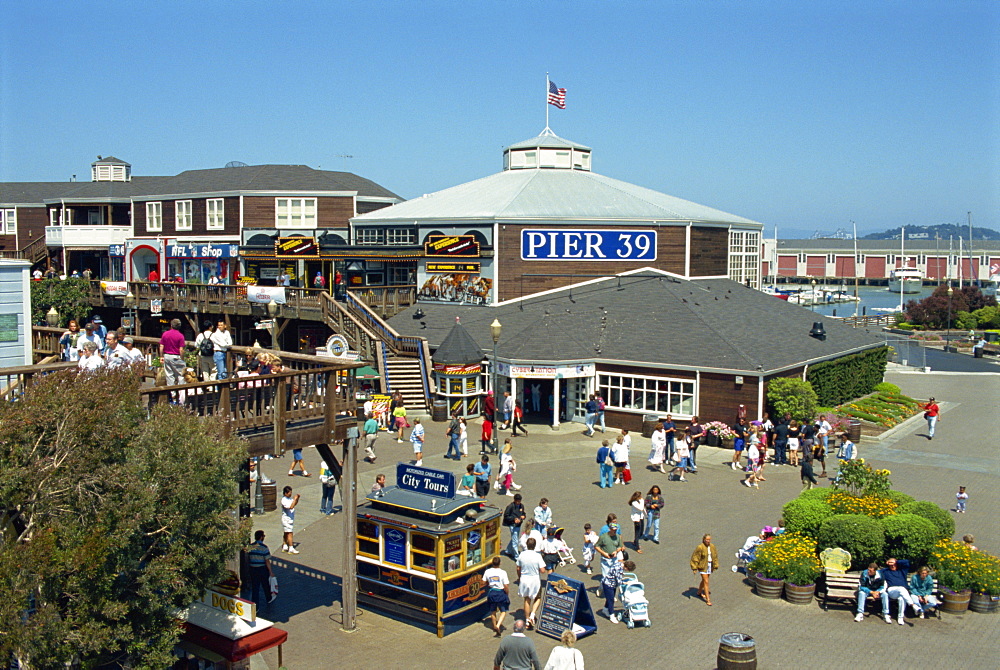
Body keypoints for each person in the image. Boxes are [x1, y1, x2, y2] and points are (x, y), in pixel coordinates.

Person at [515, 538, 547, 630]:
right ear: (535, 545)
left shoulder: (522, 555)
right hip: (534, 579)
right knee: (538, 597)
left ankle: (527, 618)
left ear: (527, 545)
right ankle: (532, 615)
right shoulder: (537, 556)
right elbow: (543, 570)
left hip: (524, 579)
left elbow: (518, 568)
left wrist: (519, 577)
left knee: (527, 599)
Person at [883, 557, 919, 624]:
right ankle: (913, 605)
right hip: (892, 591)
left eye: (894, 564)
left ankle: (900, 617)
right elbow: (874, 571)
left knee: (902, 598)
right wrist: (888, 563)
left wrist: (896, 561)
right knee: (902, 589)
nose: (892, 566)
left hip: (902, 592)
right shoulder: (886, 571)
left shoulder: (902, 571)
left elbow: (907, 561)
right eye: (890, 564)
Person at [600, 557, 636, 624]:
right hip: (608, 584)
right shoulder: (618, 569)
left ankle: (605, 609)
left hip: (612, 584)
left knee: (609, 598)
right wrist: (626, 583)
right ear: (626, 568)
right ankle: (612, 616)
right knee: (611, 600)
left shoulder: (619, 564)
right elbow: (619, 581)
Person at [483, 556, 511, 637]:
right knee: (503, 610)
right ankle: (498, 625)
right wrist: (507, 593)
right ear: (500, 563)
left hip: (492, 592)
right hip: (500, 592)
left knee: (493, 611)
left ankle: (494, 625)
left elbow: (484, 582)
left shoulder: (487, 571)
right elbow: (506, 585)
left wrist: (489, 584)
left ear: (492, 563)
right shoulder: (503, 572)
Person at [247, 530, 276, 607]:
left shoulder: (250, 547)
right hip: (262, 569)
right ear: (261, 537)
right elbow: (267, 561)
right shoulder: (264, 548)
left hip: (253, 569)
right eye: (263, 536)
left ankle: (255, 605)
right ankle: (269, 598)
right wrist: (270, 572)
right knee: (265, 585)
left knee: (255, 587)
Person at [690, 533, 718, 606]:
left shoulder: (712, 547)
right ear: (704, 540)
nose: (708, 541)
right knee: (706, 581)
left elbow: (715, 556)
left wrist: (715, 565)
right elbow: (695, 557)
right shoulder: (700, 547)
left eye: (709, 540)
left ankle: (699, 592)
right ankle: (708, 600)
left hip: (709, 565)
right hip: (702, 566)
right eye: (707, 540)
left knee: (704, 580)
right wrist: (694, 567)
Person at [159, 318, 187, 388]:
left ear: (171, 325)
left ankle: (172, 394)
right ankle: (181, 392)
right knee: (181, 375)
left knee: (169, 375)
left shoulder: (165, 334)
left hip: (167, 355)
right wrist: (182, 358)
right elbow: (181, 349)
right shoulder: (180, 336)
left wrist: (161, 356)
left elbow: (161, 346)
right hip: (176, 356)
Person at [502, 493, 526, 557]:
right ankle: (516, 556)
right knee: (515, 541)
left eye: (519, 501)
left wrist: (523, 516)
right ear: (514, 500)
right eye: (517, 501)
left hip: (518, 525)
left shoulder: (521, 506)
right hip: (513, 525)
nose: (518, 502)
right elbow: (506, 516)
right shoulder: (510, 506)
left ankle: (508, 550)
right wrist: (514, 519)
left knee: (514, 538)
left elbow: (523, 513)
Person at [280, 485, 300, 554]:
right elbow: (291, 507)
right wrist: (294, 499)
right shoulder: (283, 500)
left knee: (286, 532)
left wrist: (297, 499)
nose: (290, 494)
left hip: (290, 519)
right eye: (289, 492)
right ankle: (291, 548)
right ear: (285, 493)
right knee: (290, 533)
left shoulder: (289, 499)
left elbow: (294, 504)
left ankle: (285, 545)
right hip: (286, 519)